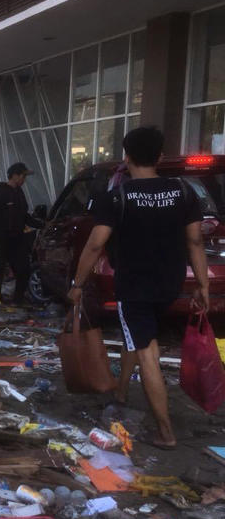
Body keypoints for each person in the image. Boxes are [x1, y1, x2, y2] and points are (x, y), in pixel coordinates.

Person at [68, 126, 208, 449]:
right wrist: (202, 285)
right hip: (170, 285)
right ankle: (120, 391)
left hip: (134, 288)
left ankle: (165, 433)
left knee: (147, 351)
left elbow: (94, 245)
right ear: (160, 157)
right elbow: (195, 240)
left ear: (126, 157)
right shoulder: (184, 192)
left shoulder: (117, 197)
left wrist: (78, 284)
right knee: (141, 335)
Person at [0, 162, 40, 304]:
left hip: (17, 239)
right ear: (15, 176)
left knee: (23, 269)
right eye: (23, 176)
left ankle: (18, 300)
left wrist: (41, 224)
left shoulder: (19, 193)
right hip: (1, 239)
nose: (24, 180)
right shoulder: (0, 192)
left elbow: (24, 215)